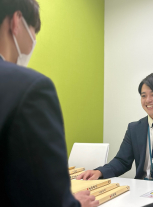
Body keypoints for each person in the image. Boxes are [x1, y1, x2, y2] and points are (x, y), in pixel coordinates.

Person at [0, 0, 98, 206]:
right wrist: (73, 203)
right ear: (17, 22)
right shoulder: (31, 87)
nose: (34, 40)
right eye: (34, 31)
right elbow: (50, 198)